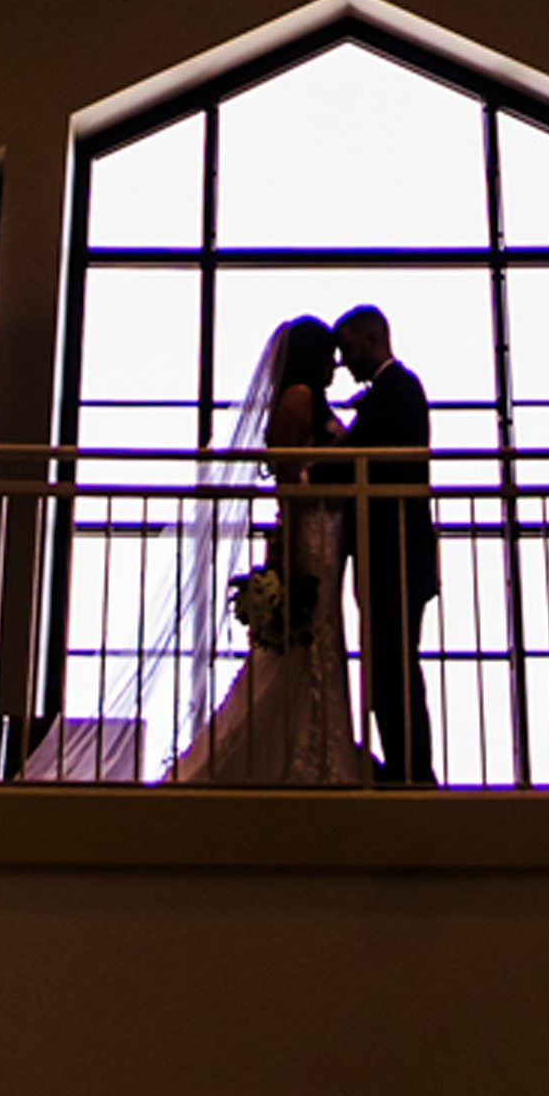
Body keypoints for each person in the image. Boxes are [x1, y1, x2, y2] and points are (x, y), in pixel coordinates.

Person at [160, 317, 376, 787]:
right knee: (310, 638)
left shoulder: (304, 399)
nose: (336, 367)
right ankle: (304, 756)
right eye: (328, 356)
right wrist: (295, 553)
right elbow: (289, 480)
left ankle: (317, 747)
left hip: (327, 534)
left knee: (321, 637)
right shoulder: (298, 399)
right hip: (312, 533)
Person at [333, 301, 439, 786]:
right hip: (387, 554)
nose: (343, 363)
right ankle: (406, 767)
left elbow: (364, 460)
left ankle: (411, 772)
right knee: (388, 665)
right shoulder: (391, 393)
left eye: (348, 349)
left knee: (393, 667)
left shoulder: (397, 391)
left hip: (396, 553)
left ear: (372, 340)